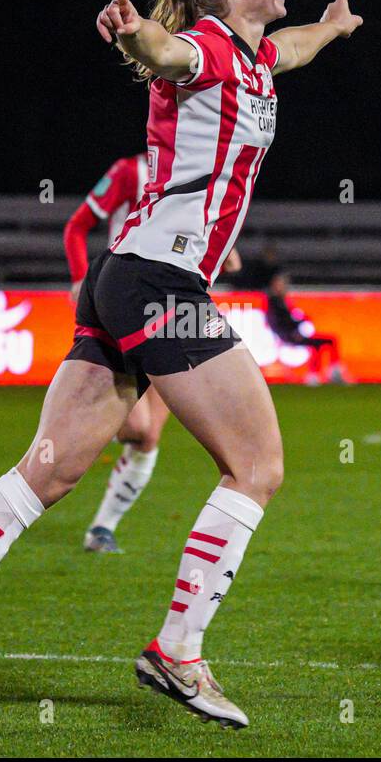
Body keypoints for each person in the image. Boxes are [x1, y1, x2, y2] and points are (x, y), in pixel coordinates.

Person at [0, 0, 362, 729]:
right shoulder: (205, 48)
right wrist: (137, 35)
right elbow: (165, 55)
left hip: (121, 278)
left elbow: (296, 47)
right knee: (258, 464)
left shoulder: (258, 54)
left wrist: (335, 29)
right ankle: (179, 650)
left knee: (52, 468)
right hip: (161, 282)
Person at [64, 153, 240, 554]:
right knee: (134, 429)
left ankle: (102, 528)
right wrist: (79, 279)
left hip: (173, 305)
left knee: (148, 434)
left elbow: (215, 243)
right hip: (123, 301)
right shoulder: (131, 172)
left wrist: (224, 252)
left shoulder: (208, 178)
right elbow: (77, 226)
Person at [265, 268, 346, 385]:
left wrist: (302, 320)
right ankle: (331, 372)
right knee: (329, 341)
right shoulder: (274, 302)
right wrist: (291, 332)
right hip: (289, 336)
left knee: (319, 344)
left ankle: (315, 375)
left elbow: (290, 319)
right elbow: (278, 322)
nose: (283, 286)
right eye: (281, 283)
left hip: (291, 334)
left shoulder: (281, 301)